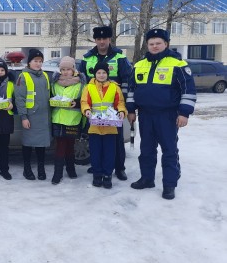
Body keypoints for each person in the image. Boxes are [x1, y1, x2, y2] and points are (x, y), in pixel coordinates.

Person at [127, 29, 196, 200]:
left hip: (168, 115)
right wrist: (130, 110)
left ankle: (169, 185)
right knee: (146, 149)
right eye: (151, 43)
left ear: (166, 44)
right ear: (147, 45)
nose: (155, 46)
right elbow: (131, 90)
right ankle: (147, 179)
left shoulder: (178, 64)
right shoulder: (139, 65)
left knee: (169, 150)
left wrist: (184, 113)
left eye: (158, 43)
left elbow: (188, 90)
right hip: (145, 115)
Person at [79, 25, 132, 181]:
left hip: (113, 107)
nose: (102, 42)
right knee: (96, 141)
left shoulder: (119, 57)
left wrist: (123, 107)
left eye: (105, 39)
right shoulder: (87, 57)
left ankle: (119, 168)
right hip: (94, 108)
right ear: (95, 40)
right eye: (99, 39)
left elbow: (128, 80)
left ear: (110, 39)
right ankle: (98, 167)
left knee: (115, 141)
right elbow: (82, 80)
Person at [81, 62, 127, 189]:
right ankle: (97, 175)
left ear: (108, 74)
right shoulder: (89, 87)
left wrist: (122, 112)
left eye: (104, 72)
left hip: (110, 127)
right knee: (95, 153)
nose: (101, 75)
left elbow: (120, 103)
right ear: (95, 74)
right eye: (99, 72)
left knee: (109, 153)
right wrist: (86, 110)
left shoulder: (115, 87)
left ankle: (107, 175)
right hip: (94, 126)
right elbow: (84, 102)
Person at [15, 49, 51, 181]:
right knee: (28, 145)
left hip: (43, 117)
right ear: (29, 62)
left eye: (40, 61)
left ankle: (41, 169)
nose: (38, 63)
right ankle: (27, 169)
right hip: (30, 117)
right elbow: (19, 99)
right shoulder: (23, 77)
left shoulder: (45, 76)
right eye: (35, 61)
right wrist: (24, 117)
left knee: (41, 145)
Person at [50, 56, 86, 184]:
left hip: (73, 119)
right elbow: (51, 97)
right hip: (58, 118)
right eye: (63, 69)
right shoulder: (54, 83)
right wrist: (53, 102)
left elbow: (85, 100)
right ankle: (57, 173)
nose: (65, 72)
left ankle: (71, 169)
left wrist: (76, 103)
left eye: (68, 69)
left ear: (73, 70)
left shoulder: (80, 84)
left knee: (70, 146)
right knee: (59, 146)